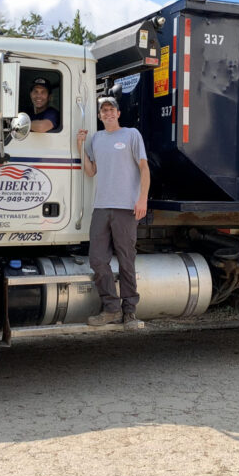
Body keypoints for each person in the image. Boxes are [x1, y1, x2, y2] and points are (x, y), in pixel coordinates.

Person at [77, 96, 150, 329]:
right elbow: (90, 172)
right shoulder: (96, 139)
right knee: (97, 260)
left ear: (118, 113)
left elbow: (144, 168)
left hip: (126, 208)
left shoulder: (131, 134)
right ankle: (111, 309)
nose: (108, 113)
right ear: (99, 116)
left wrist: (142, 199)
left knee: (126, 260)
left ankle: (130, 313)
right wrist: (80, 146)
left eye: (112, 110)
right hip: (101, 207)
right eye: (104, 110)